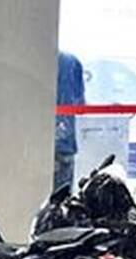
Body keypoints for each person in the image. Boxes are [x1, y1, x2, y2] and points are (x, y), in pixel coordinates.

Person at [54, 51, 86, 194]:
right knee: (61, 202)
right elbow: (81, 107)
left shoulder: (31, 60)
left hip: (34, 145)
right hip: (64, 145)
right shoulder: (72, 61)